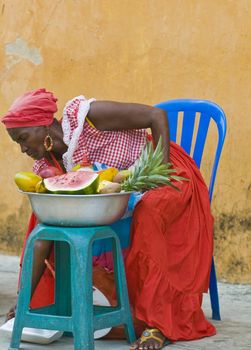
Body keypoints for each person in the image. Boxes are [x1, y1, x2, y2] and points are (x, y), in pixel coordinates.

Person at [1, 88, 216, 350]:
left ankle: (158, 324)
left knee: (151, 209)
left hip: (168, 172)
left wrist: (159, 172)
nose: (23, 149)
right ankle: (29, 302)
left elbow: (156, 115)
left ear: (44, 124)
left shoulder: (86, 117)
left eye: (23, 138)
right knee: (44, 216)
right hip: (124, 192)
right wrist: (22, 301)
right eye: (18, 143)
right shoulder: (49, 165)